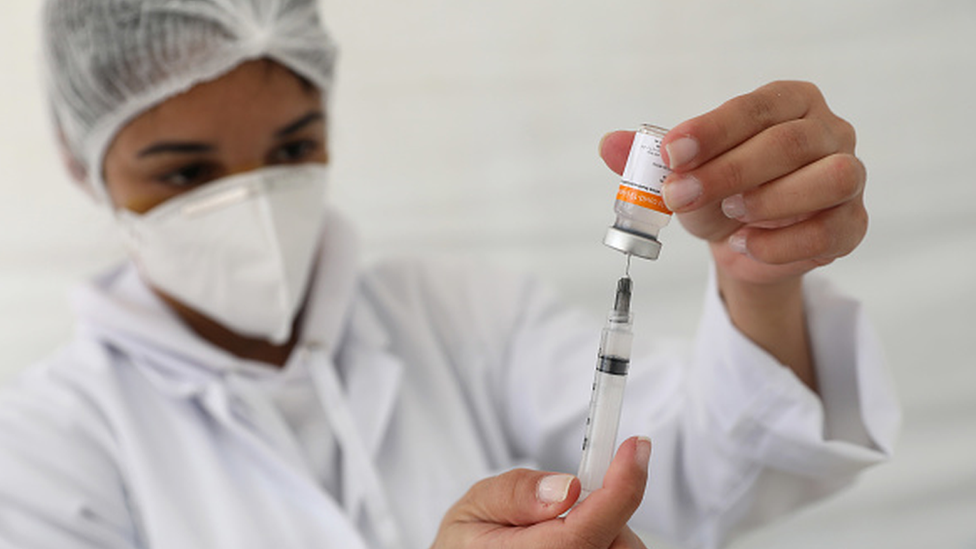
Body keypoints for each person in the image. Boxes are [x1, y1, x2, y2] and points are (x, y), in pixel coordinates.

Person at [0, 1, 899, 548]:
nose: (251, 204)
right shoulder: (41, 450)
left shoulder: (461, 313)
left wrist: (757, 276)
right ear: (87, 167)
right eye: (187, 172)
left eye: (291, 148)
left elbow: (712, 472)